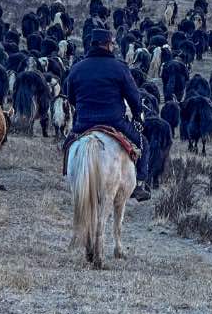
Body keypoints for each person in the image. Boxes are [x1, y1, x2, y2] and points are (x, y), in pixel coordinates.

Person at [65, 27, 151, 200]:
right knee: (144, 144)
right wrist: (137, 115)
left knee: (67, 146)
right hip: (115, 122)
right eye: (112, 44)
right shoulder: (119, 68)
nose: (113, 47)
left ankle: (68, 175)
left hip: (84, 123)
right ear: (107, 45)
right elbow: (134, 97)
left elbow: (71, 97)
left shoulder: (77, 68)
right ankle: (139, 184)